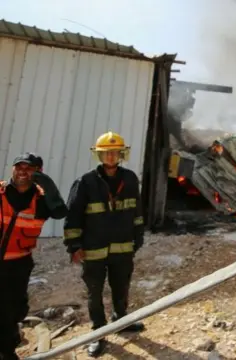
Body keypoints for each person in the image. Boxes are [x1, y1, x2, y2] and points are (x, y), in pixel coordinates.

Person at [63, 131, 145, 357]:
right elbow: (73, 216)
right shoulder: (85, 182)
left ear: (121, 154)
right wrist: (74, 245)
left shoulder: (129, 179)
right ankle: (97, 334)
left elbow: (137, 210)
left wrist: (138, 236)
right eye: (106, 153)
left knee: (122, 287)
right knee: (95, 292)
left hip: (122, 247)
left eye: (115, 152)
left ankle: (121, 320)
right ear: (99, 155)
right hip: (93, 249)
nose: (110, 157)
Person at [0, 153, 68, 360]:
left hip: (17, 264)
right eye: (18, 166)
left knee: (11, 310)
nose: (22, 171)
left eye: (29, 168)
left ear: (38, 172)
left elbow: (60, 212)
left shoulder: (41, 201)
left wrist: (48, 185)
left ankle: (7, 350)